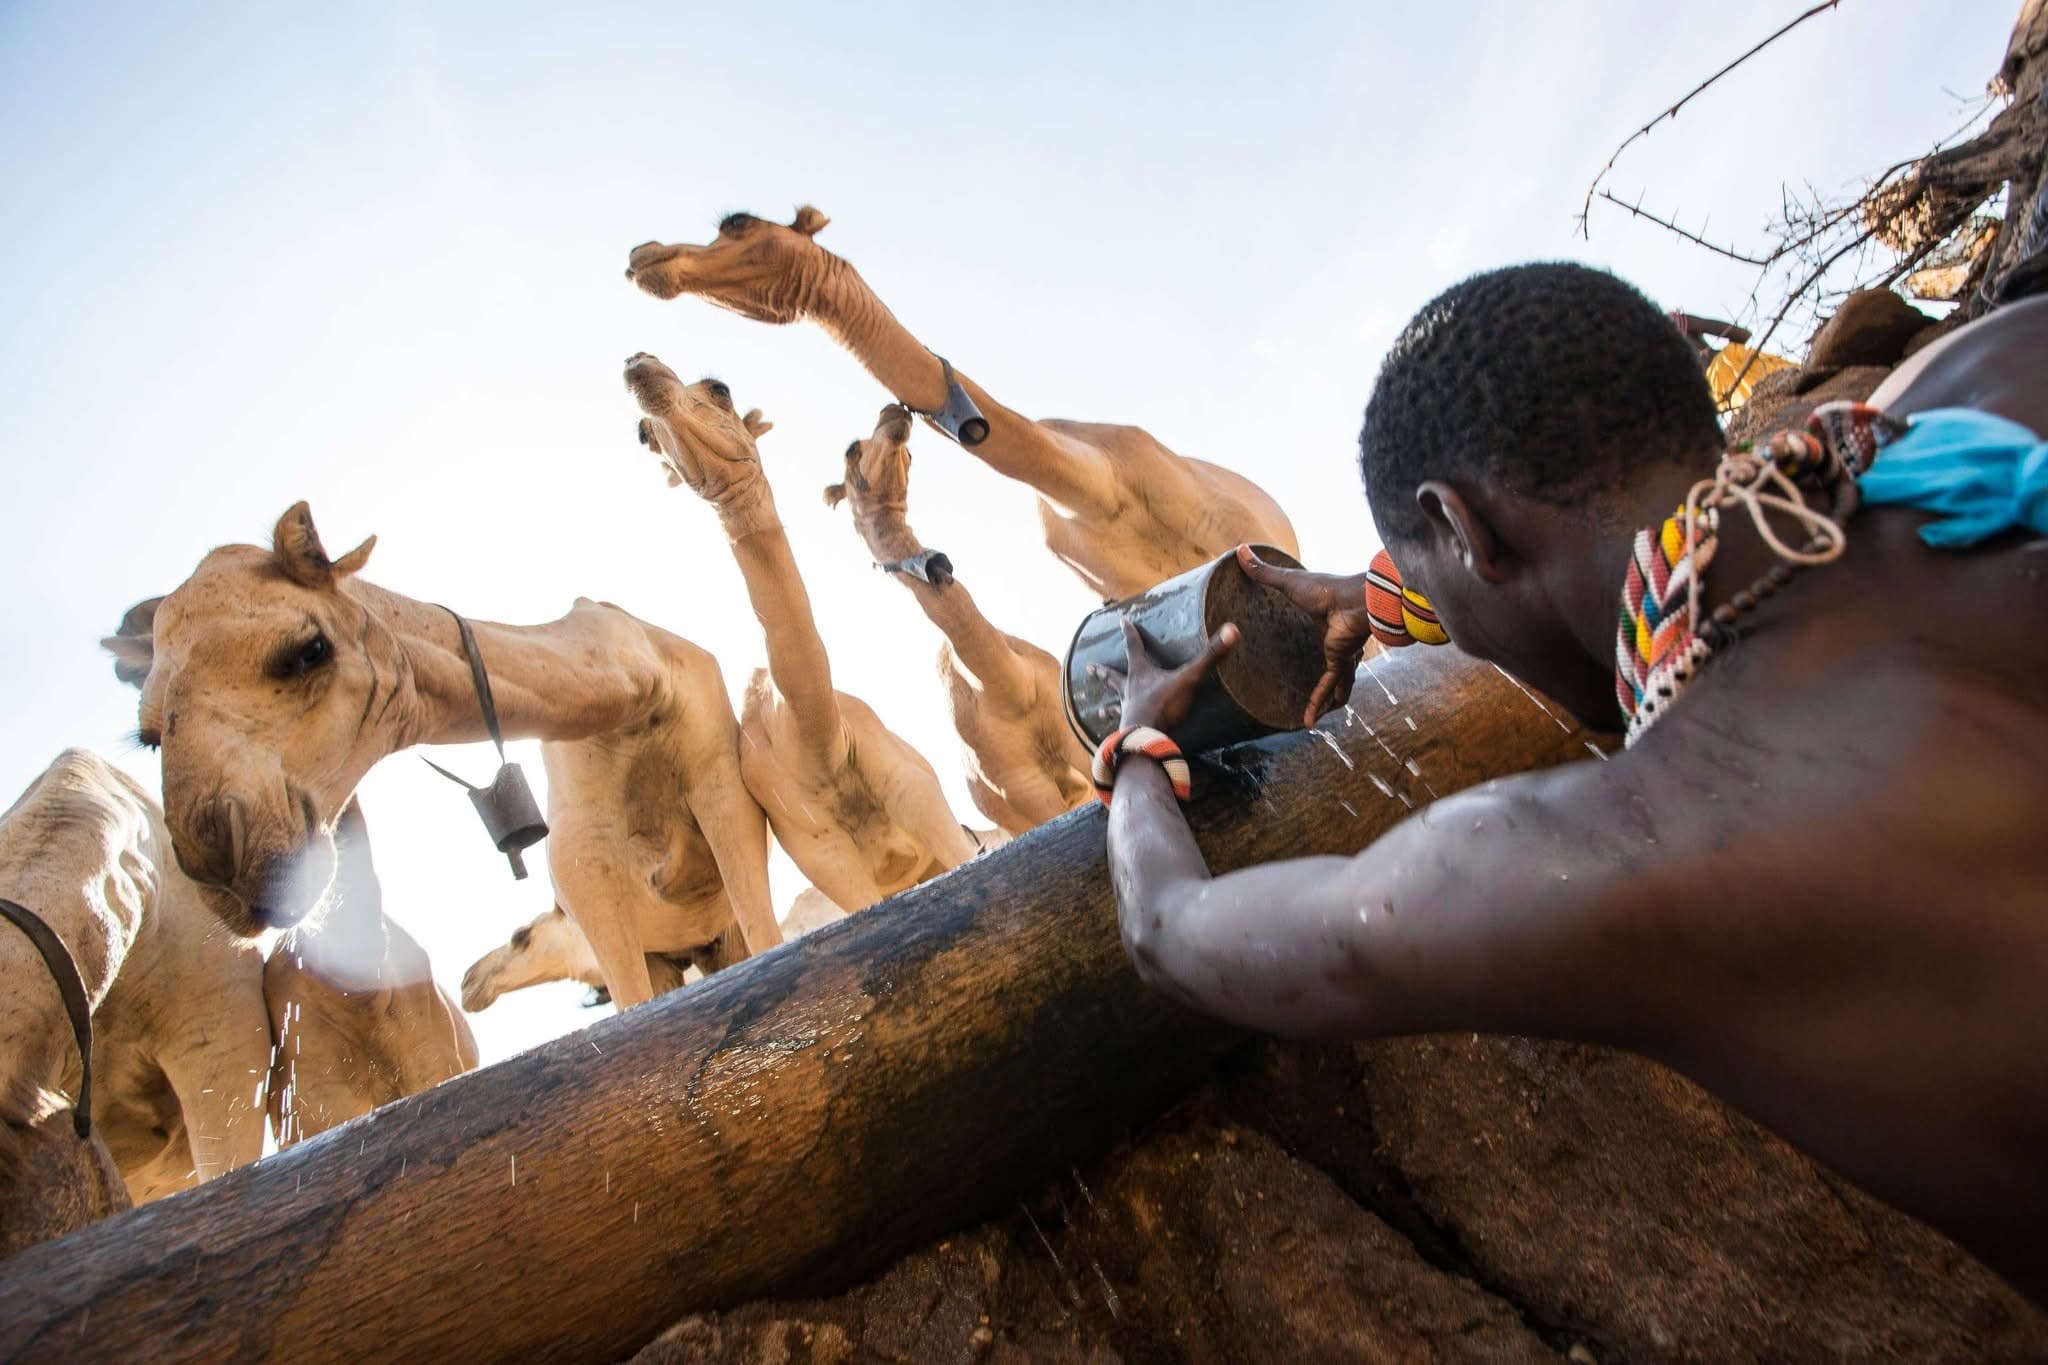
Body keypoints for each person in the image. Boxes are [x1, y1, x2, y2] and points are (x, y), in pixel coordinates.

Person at [1097, 265, 2048, 1303]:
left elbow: (1171, 932)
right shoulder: (1982, 376)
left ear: (1461, 530)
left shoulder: (1650, 843)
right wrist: (1375, 596)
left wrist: (1136, 750)